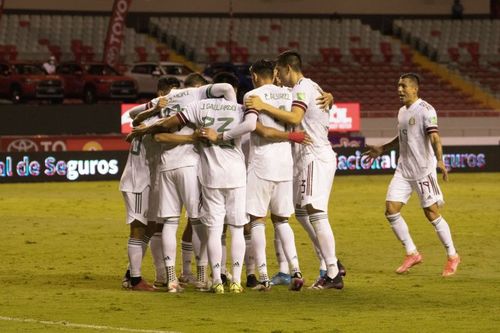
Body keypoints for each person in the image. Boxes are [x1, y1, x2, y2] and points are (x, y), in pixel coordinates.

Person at [245, 50, 344, 290]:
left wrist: (263, 106)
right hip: (305, 157)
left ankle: (332, 270)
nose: (277, 75)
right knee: (300, 211)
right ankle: (331, 261)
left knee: (316, 211)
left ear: (288, 69)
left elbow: (295, 115)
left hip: (313, 155)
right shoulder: (310, 86)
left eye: (279, 70)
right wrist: (331, 97)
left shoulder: (301, 88)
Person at [132, 73, 237, 292]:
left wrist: (148, 114)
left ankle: (171, 280)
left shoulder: (168, 98)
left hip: (165, 166)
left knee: (169, 223)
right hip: (190, 165)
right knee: (198, 221)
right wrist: (232, 107)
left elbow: (140, 120)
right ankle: (200, 277)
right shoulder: (197, 95)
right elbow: (226, 86)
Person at [363, 73, 460, 277]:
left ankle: (452, 255)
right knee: (391, 209)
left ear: (415, 89)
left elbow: (435, 137)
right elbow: (402, 137)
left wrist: (440, 160)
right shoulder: (401, 112)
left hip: (423, 170)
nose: (399, 90)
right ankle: (412, 253)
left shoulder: (426, 110)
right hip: (404, 170)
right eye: (398, 86)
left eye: (403, 86)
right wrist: (383, 148)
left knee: (431, 213)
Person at [244, 59, 309, 291]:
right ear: (274, 73)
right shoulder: (288, 94)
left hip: (262, 163)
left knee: (257, 220)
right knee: (282, 220)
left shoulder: (251, 96)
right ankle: (296, 270)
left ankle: (262, 276)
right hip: (285, 165)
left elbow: (261, 130)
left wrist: (289, 137)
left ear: (253, 76)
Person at [119, 77, 180, 291]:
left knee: (152, 225)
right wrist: (154, 106)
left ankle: (130, 273)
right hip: (137, 180)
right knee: (138, 227)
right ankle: (135, 279)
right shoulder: (151, 114)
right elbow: (134, 118)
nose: (174, 99)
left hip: (152, 180)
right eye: (170, 94)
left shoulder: (165, 116)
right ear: (161, 92)